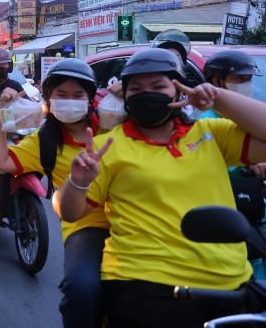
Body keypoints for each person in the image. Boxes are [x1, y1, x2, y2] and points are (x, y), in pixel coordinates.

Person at [55, 47, 266, 327]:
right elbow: (68, 211)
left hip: (231, 283)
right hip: (144, 284)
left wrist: (217, 98)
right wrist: (79, 181)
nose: (147, 93)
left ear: (179, 91)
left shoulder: (209, 133)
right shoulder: (111, 146)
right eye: (136, 88)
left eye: (158, 86)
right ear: (125, 96)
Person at [0, 58, 108, 328]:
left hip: (131, 217)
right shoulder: (44, 140)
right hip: (84, 226)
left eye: (78, 95)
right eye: (61, 95)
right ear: (49, 99)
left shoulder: (112, 124)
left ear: (90, 97)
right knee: (80, 289)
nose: (70, 101)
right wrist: (1, 115)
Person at [200, 49, 266, 277]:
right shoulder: (205, 121)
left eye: (248, 80)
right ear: (216, 82)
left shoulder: (251, 115)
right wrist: (244, 166)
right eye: (239, 79)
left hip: (254, 210)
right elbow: (205, 162)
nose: (246, 86)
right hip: (226, 214)